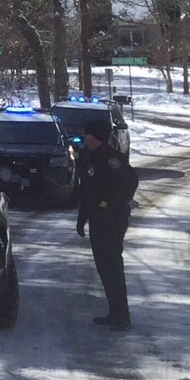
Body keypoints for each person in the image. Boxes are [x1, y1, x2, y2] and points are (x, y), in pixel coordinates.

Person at [76, 117, 139, 331]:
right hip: (98, 220)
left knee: (112, 266)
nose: (84, 137)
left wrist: (110, 207)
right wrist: (82, 217)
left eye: (87, 134)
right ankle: (115, 312)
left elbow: (129, 183)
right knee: (104, 267)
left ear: (95, 136)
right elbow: (87, 192)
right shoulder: (89, 158)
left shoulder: (113, 159)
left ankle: (122, 316)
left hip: (112, 221)